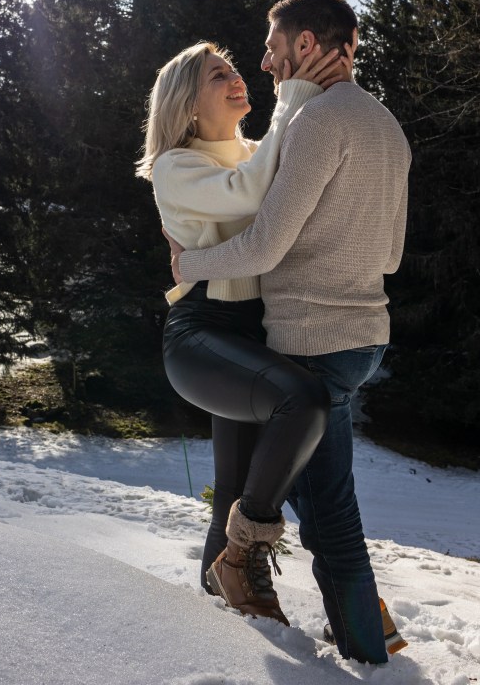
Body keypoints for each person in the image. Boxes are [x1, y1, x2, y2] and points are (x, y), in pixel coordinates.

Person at [168, 0, 412, 665]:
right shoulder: (386, 126)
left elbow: (266, 247)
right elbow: (389, 253)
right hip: (366, 336)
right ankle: (365, 630)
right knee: (321, 501)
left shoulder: (316, 123)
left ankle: (368, 651)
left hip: (310, 340)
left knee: (330, 514)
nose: (265, 60)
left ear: (306, 45)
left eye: (273, 47)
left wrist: (192, 261)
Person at [136, 36, 351, 626]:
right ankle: (245, 557)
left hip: (256, 335)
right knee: (303, 401)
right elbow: (252, 191)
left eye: (234, 70)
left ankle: (222, 624)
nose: (236, 80)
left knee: (230, 491)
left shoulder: (258, 149)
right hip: (202, 335)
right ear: (186, 103)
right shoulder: (175, 167)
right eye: (217, 76)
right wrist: (293, 94)